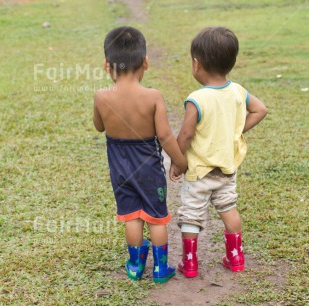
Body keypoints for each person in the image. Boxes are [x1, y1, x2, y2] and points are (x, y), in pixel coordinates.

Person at [169, 26, 268, 278]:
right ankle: (236, 257)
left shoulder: (197, 98)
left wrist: (177, 162)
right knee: (229, 209)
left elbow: (186, 135)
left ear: (196, 64)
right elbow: (260, 110)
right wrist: (235, 131)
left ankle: (190, 263)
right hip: (226, 169)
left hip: (199, 172)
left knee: (191, 215)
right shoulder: (238, 91)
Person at [93, 26, 187, 283]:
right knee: (156, 218)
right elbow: (166, 136)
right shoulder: (153, 97)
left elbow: (99, 126)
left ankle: (135, 265)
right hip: (148, 170)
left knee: (131, 215)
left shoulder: (101, 96)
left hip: (120, 169)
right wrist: (180, 161)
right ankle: (160, 268)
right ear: (145, 62)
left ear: (106, 65)